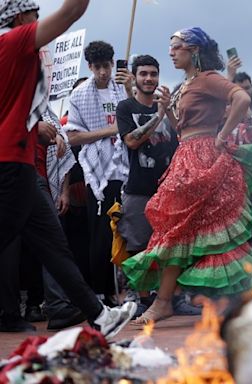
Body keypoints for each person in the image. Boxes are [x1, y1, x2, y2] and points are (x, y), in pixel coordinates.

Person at [0, 0, 136, 336]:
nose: (39, 21)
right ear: (20, 18)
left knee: (54, 244)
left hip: (20, 166)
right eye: (35, 15)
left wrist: (33, 128)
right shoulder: (13, 42)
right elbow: (72, 10)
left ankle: (99, 315)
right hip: (9, 166)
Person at [122, 27, 252, 324]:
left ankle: (164, 302)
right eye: (171, 47)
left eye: (177, 47)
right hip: (186, 156)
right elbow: (180, 130)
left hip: (203, 157)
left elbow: (242, 100)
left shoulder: (208, 78)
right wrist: (166, 110)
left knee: (190, 232)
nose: (171, 52)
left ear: (194, 50)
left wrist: (223, 135)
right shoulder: (186, 84)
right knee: (186, 232)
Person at [116, 54, 194, 316]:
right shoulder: (125, 108)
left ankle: (177, 297)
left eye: (153, 74)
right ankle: (143, 299)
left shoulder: (167, 107)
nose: (149, 79)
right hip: (137, 189)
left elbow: (183, 139)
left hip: (168, 190)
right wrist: (158, 115)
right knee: (138, 245)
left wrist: (168, 111)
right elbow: (132, 141)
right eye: (144, 74)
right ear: (135, 78)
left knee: (173, 245)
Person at [65, 40, 132, 306]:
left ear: (113, 64)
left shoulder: (123, 90)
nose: (103, 72)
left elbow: (138, 121)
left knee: (125, 230)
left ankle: (124, 290)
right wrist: (109, 131)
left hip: (124, 168)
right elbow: (73, 137)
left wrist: (129, 89)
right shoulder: (79, 94)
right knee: (100, 233)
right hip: (97, 171)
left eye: (107, 66)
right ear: (89, 67)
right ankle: (99, 292)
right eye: (98, 67)